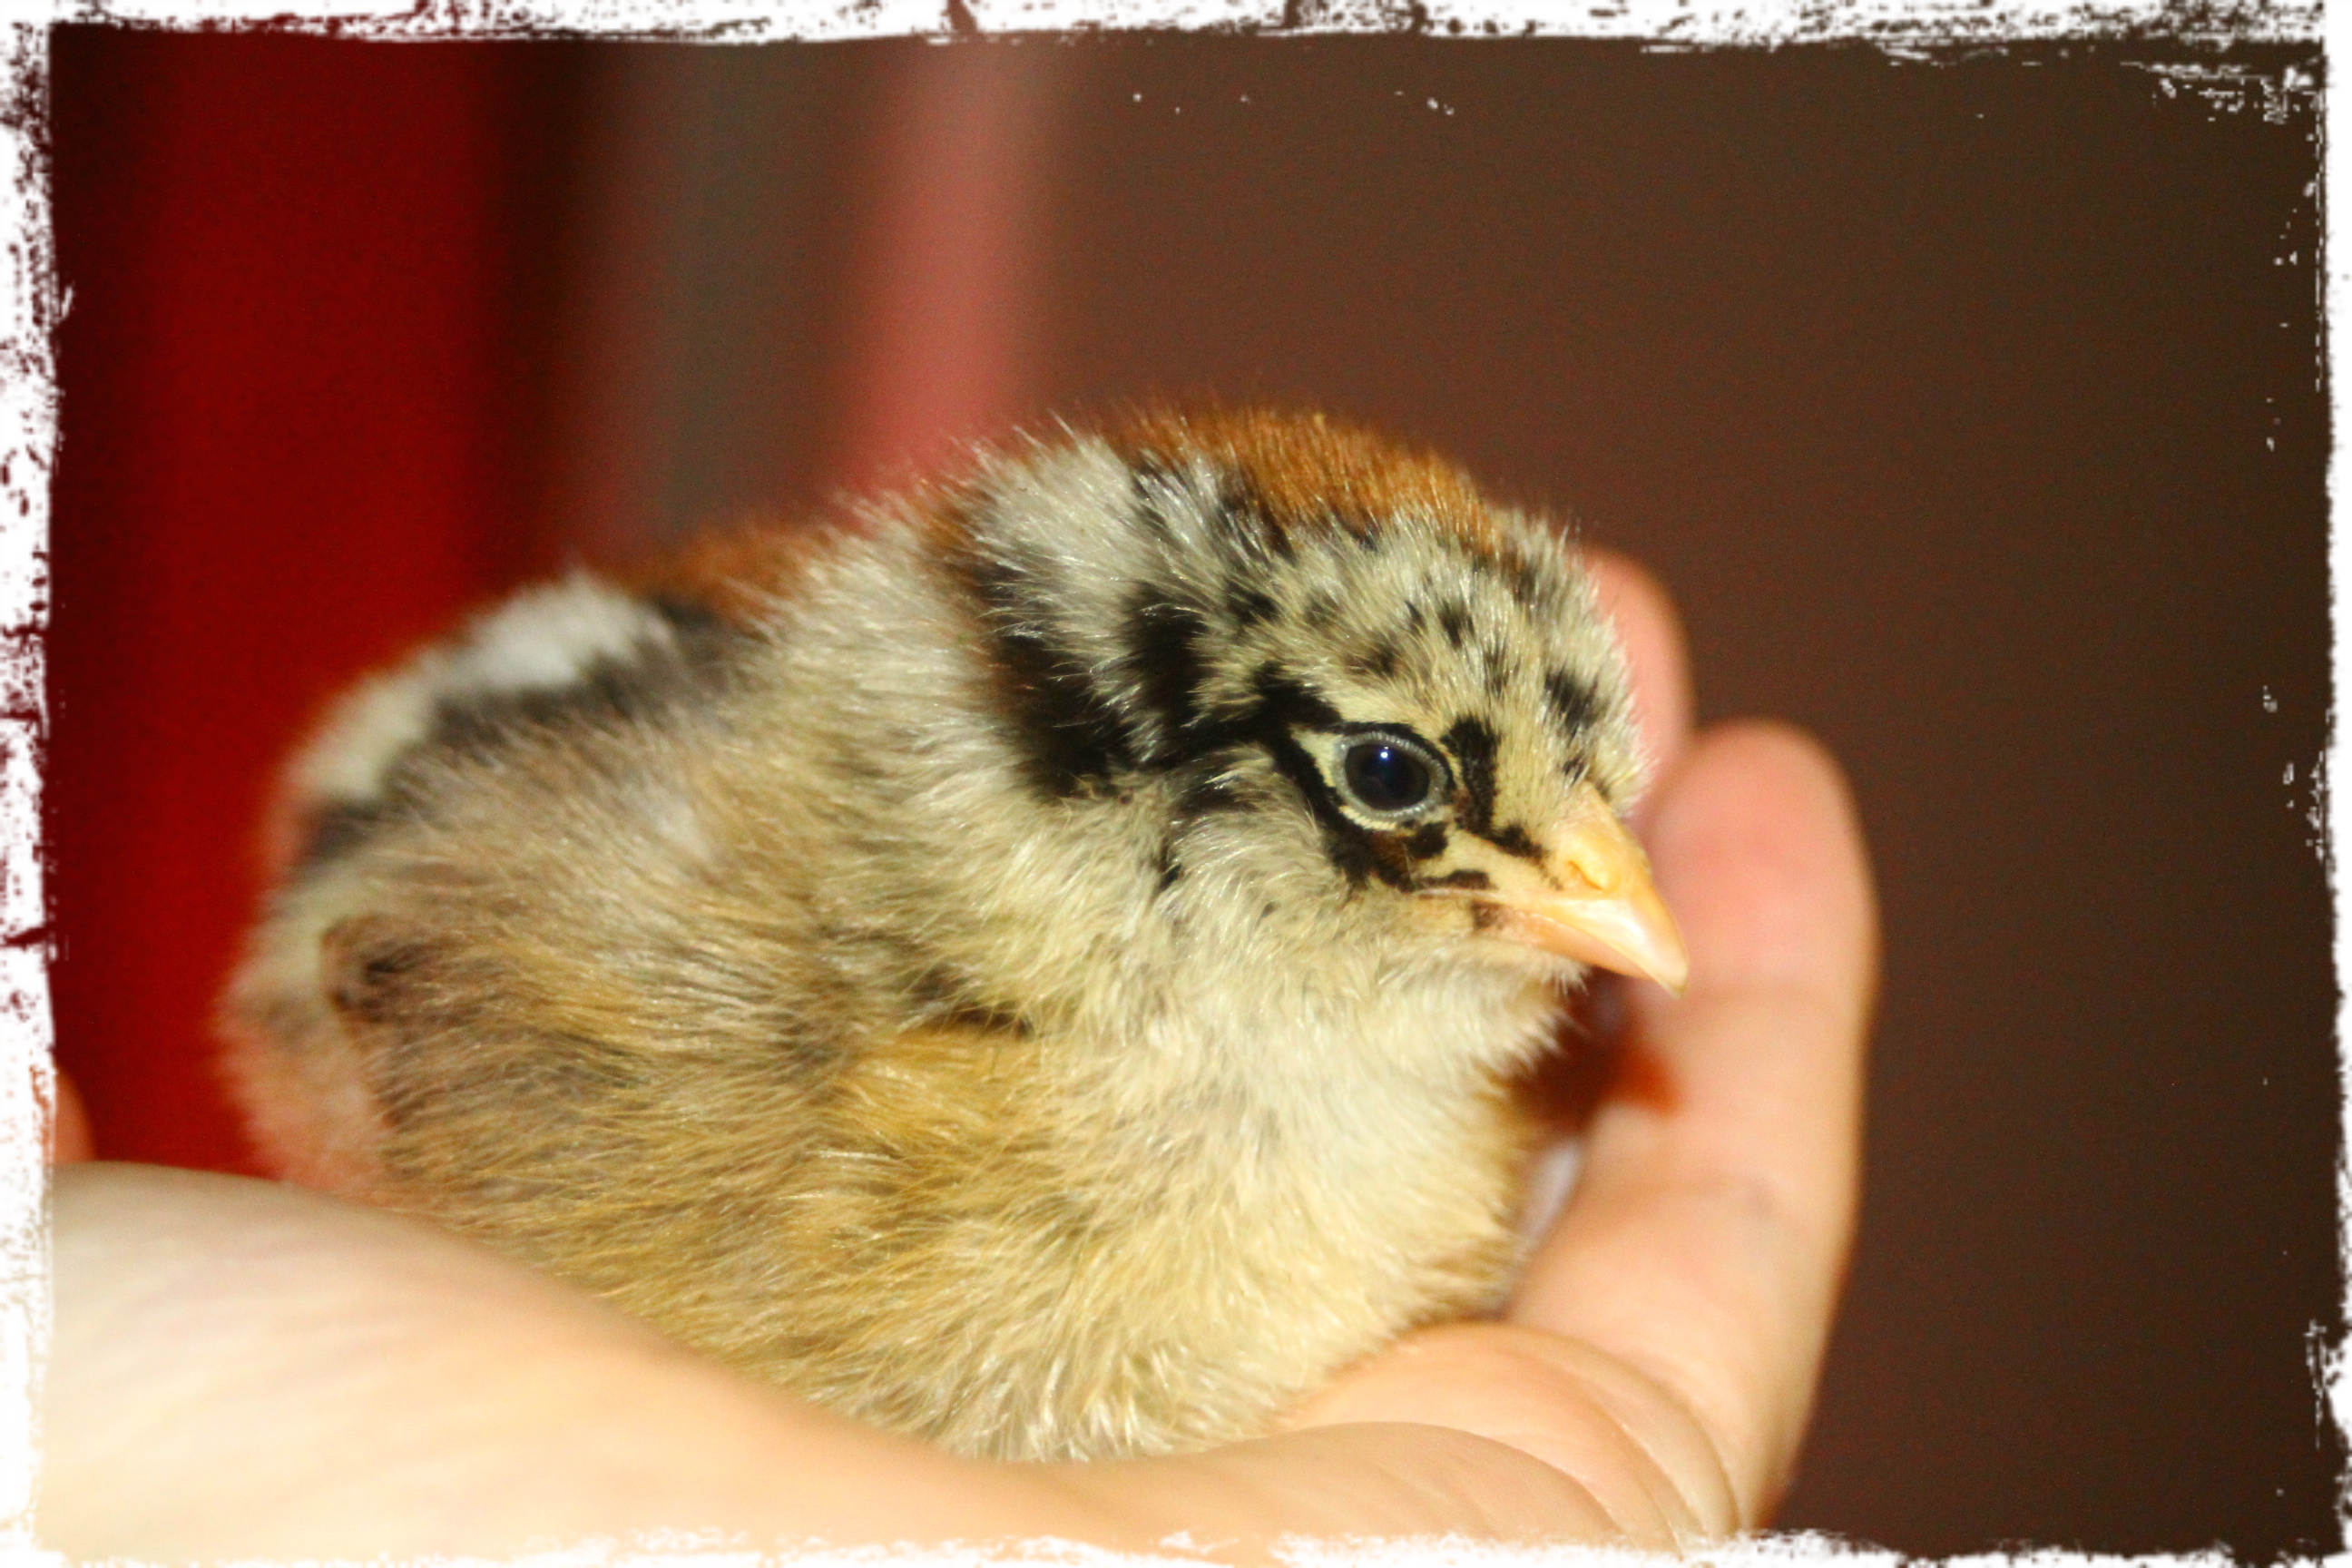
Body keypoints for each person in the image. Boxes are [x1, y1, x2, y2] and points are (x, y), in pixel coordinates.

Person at [37, 557, 1877, 1559]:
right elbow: (367, 952)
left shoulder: (1397, 1119)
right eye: (1396, 780)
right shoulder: (702, 1001)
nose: (1605, 890)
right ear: (1134, 796)